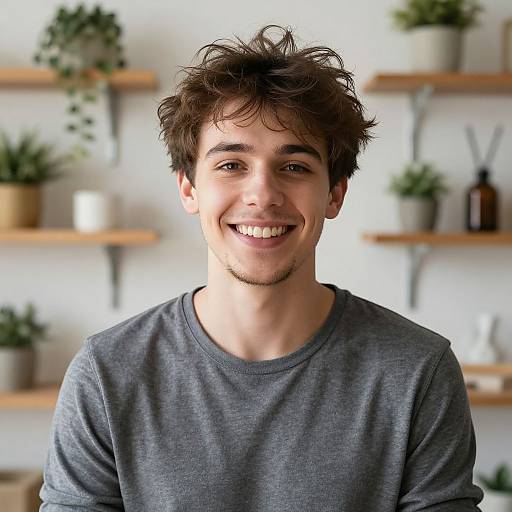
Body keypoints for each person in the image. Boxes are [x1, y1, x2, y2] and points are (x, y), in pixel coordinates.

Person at [39, 25, 484, 511]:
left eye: (294, 167)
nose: (262, 195)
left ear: (334, 193)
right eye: (231, 164)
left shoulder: (418, 371)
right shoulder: (106, 375)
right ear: (189, 189)